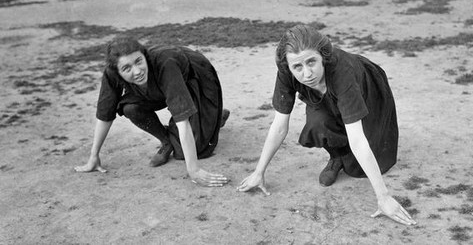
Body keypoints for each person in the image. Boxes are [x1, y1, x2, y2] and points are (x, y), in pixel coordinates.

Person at [237, 25, 416, 226]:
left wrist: (383, 197)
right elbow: (279, 126)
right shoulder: (287, 71)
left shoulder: (342, 72)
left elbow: (357, 139)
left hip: (364, 86)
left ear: (323, 56)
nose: (307, 74)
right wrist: (258, 172)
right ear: (289, 66)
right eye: (298, 67)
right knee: (317, 124)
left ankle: (350, 157)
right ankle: (336, 157)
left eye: (311, 62)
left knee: (361, 168)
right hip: (322, 95)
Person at [75, 37, 230, 187]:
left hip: (194, 76)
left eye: (138, 61)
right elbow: (105, 113)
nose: (137, 71)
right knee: (131, 108)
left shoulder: (165, 63)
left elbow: (182, 120)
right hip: (157, 86)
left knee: (193, 151)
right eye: (126, 68)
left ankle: (213, 116)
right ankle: (167, 140)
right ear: (117, 71)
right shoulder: (111, 73)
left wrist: (194, 170)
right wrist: (93, 156)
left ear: (144, 55)